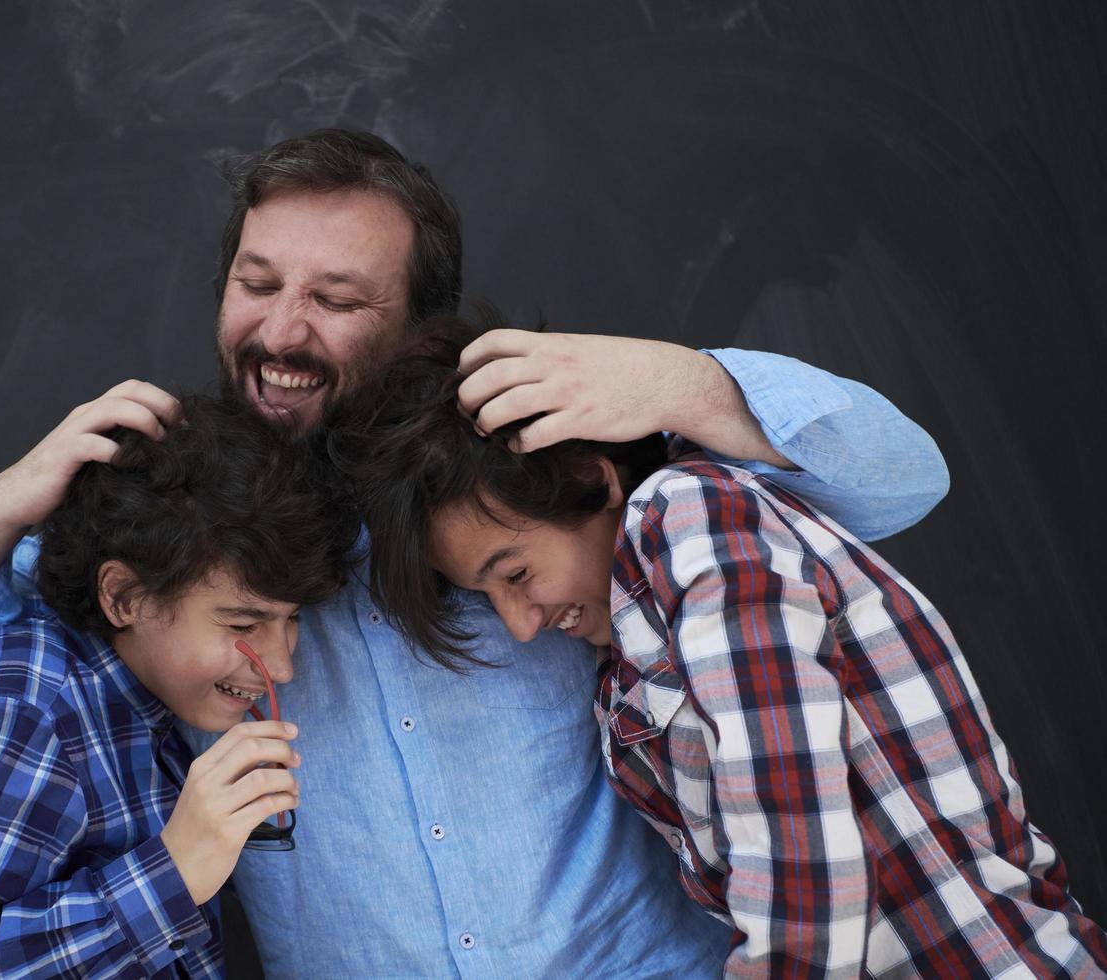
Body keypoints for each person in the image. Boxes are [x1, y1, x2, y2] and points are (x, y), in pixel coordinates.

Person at [0, 129, 952, 975]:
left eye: (336, 298)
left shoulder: (528, 470)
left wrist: (681, 382)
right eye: (256, 284)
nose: (280, 331)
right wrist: (13, 496)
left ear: (419, 324)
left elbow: (904, 478)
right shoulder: (174, 539)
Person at [337, 312, 1107, 977]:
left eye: (516, 572)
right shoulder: (624, 667)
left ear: (588, 474)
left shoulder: (687, 514)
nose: (521, 623)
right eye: (486, 596)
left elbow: (800, 862)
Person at [0, 397, 357, 978]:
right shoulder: (23, 711)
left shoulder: (143, 699)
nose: (280, 668)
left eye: (293, 621)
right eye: (242, 624)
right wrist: (172, 874)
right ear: (124, 597)